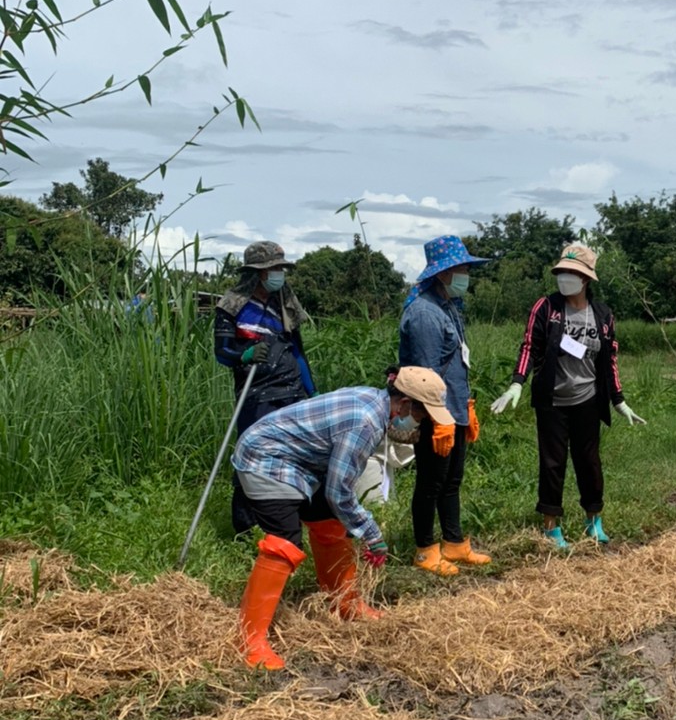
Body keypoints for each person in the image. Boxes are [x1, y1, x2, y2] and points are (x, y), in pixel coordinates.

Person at [232, 366, 450, 671]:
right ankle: (249, 640)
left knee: (331, 522)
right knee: (285, 539)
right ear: (403, 404)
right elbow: (338, 491)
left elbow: (336, 497)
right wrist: (372, 535)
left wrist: (356, 525)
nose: (422, 421)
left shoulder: (375, 402)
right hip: (266, 458)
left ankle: (345, 604)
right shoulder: (365, 422)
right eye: (423, 415)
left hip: (300, 461)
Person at [489, 243, 646, 550]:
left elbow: (609, 359)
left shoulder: (602, 315)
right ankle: (551, 527)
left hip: (588, 399)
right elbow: (529, 347)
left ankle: (594, 521)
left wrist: (619, 399)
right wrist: (517, 383)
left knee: (589, 462)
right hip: (552, 401)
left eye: (571, 273)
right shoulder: (546, 308)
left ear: (586, 279)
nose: (564, 278)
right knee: (552, 463)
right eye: (561, 272)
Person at [398, 235, 490, 576]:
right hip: (433, 413)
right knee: (430, 483)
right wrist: (438, 420)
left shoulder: (447, 307)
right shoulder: (424, 314)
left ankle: (454, 544)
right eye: (462, 268)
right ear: (443, 273)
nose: (466, 274)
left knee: (452, 480)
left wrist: (465, 405)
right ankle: (425, 550)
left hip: (453, 408)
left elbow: (454, 365)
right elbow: (424, 377)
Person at [215, 241, 316, 535]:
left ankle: (289, 520)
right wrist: (243, 355)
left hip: (292, 391)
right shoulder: (232, 307)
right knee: (253, 454)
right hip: (256, 393)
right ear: (257, 273)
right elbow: (222, 353)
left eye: (281, 269)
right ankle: (246, 527)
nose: (278, 274)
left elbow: (298, 352)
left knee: (295, 455)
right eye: (273, 269)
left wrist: (312, 392)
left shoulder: (284, 304)